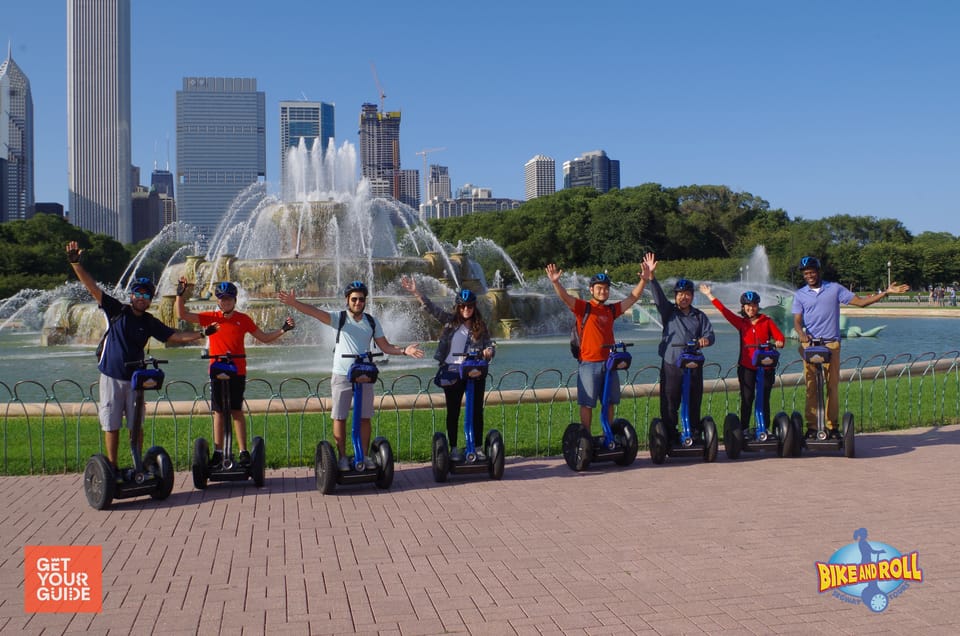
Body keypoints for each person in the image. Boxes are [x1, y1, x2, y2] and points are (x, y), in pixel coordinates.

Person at [65, 241, 207, 478]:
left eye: (147, 295)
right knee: (111, 424)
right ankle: (111, 468)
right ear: (131, 295)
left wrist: (202, 334)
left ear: (151, 299)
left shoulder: (149, 321)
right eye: (138, 293)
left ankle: (137, 464)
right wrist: (76, 264)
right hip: (111, 375)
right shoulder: (116, 310)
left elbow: (174, 335)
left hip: (135, 379)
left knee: (136, 425)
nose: (142, 298)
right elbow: (92, 288)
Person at [278, 281, 424, 471]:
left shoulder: (371, 321)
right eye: (354, 299)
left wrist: (405, 350)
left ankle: (362, 455)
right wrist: (294, 303)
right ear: (348, 300)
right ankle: (342, 457)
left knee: (364, 417)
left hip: (364, 374)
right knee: (340, 417)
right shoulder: (339, 318)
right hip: (342, 374)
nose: (357, 302)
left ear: (365, 301)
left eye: (361, 299)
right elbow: (314, 312)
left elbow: (385, 346)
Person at [175, 277, 295, 466]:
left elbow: (263, 338)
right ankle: (218, 451)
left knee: (236, 410)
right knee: (219, 412)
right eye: (222, 299)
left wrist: (283, 330)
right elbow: (182, 315)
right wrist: (180, 296)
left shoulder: (243, 319)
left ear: (235, 300)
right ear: (218, 301)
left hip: (237, 370)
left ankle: (243, 451)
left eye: (229, 299)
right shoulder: (210, 318)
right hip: (217, 369)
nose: (225, 302)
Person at [791, 256, 909, 438]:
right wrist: (801, 334)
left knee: (832, 386)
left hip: (831, 343)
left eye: (812, 272)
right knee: (811, 387)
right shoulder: (800, 295)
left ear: (818, 271)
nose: (809, 276)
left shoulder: (834, 289)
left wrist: (885, 292)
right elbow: (797, 321)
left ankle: (832, 427)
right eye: (806, 273)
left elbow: (861, 302)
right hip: (810, 345)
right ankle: (812, 427)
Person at [544, 262, 648, 432]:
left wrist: (644, 280)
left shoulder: (611, 310)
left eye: (606, 288)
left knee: (609, 401)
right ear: (591, 290)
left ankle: (608, 434)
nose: (603, 291)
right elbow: (565, 298)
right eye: (599, 288)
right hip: (589, 364)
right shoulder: (583, 308)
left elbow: (632, 298)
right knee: (587, 403)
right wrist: (556, 282)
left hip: (609, 363)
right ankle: (585, 437)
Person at [400, 276, 495, 461]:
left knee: (476, 411)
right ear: (457, 307)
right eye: (462, 306)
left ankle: (476, 446)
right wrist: (416, 292)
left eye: (469, 306)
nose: (466, 309)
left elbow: (489, 345)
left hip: (473, 371)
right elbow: (432, 309)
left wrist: (489, 351)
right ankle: (453, 447)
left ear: (474, 307)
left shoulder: (480, 327)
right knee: (454, 411)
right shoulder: (450, 321)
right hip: (452, 371)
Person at [644, 253, 715, 442]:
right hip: (672, 363)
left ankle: (693, 431)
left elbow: (710, 335)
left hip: (693, 363)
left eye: (687, 294)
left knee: (693, 400)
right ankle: (670, 433)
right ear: (675, 296)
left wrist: (705, 340)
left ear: (692, 296)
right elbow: (659, 299)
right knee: (670, 401)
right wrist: (652, 277)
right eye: (680, 294)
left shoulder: (699, 316)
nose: (684, 297)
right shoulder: (669, 312)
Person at [700, 284, 785, 435]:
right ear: (743, 307)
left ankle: (764, 428)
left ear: (757, 306)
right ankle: (744, 429)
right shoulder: (741, 323)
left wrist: (778, 342)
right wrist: (709, 295)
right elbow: (724, 312)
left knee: (764, 398)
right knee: (747, 398)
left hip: (765, 367)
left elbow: (780, 337)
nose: (751, 309)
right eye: (747, 306)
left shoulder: (767, 321)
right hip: (747, 367)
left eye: (753, 306)